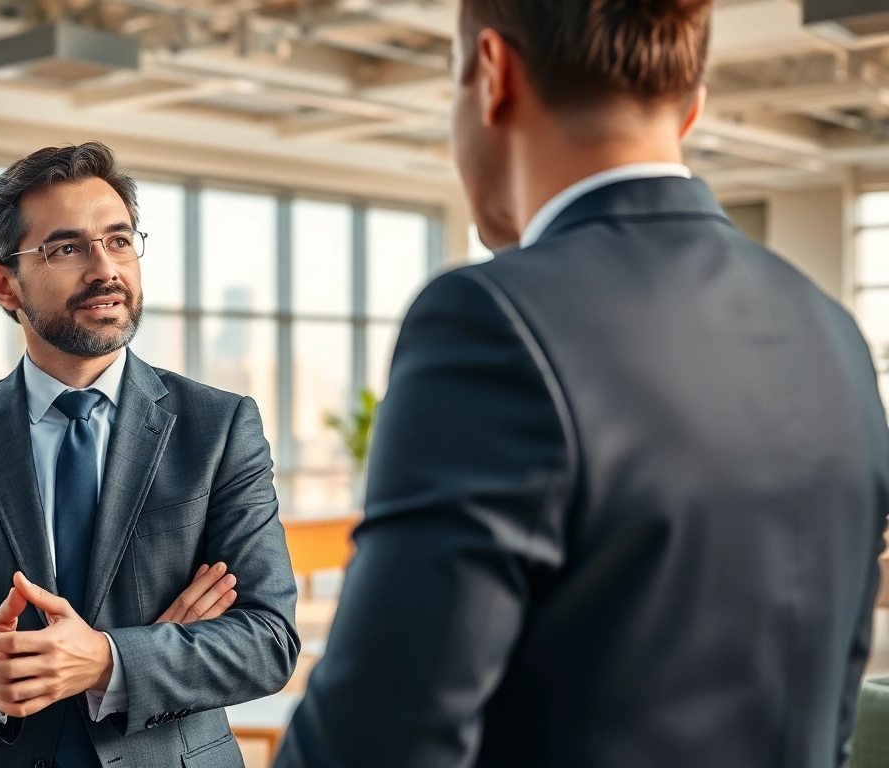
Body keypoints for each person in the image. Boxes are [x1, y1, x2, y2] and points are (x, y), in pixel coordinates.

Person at [276, 1, 889, 766]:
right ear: (691, 105)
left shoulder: (492, 321)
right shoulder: (831, 332)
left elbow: (374, 745)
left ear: (493, 73)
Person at [0, 141, 298, 768]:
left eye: (119, 241)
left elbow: (268, 640)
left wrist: (109, 659)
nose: (104, 269)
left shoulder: (219, 428)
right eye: (66, 248)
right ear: (4, 284)